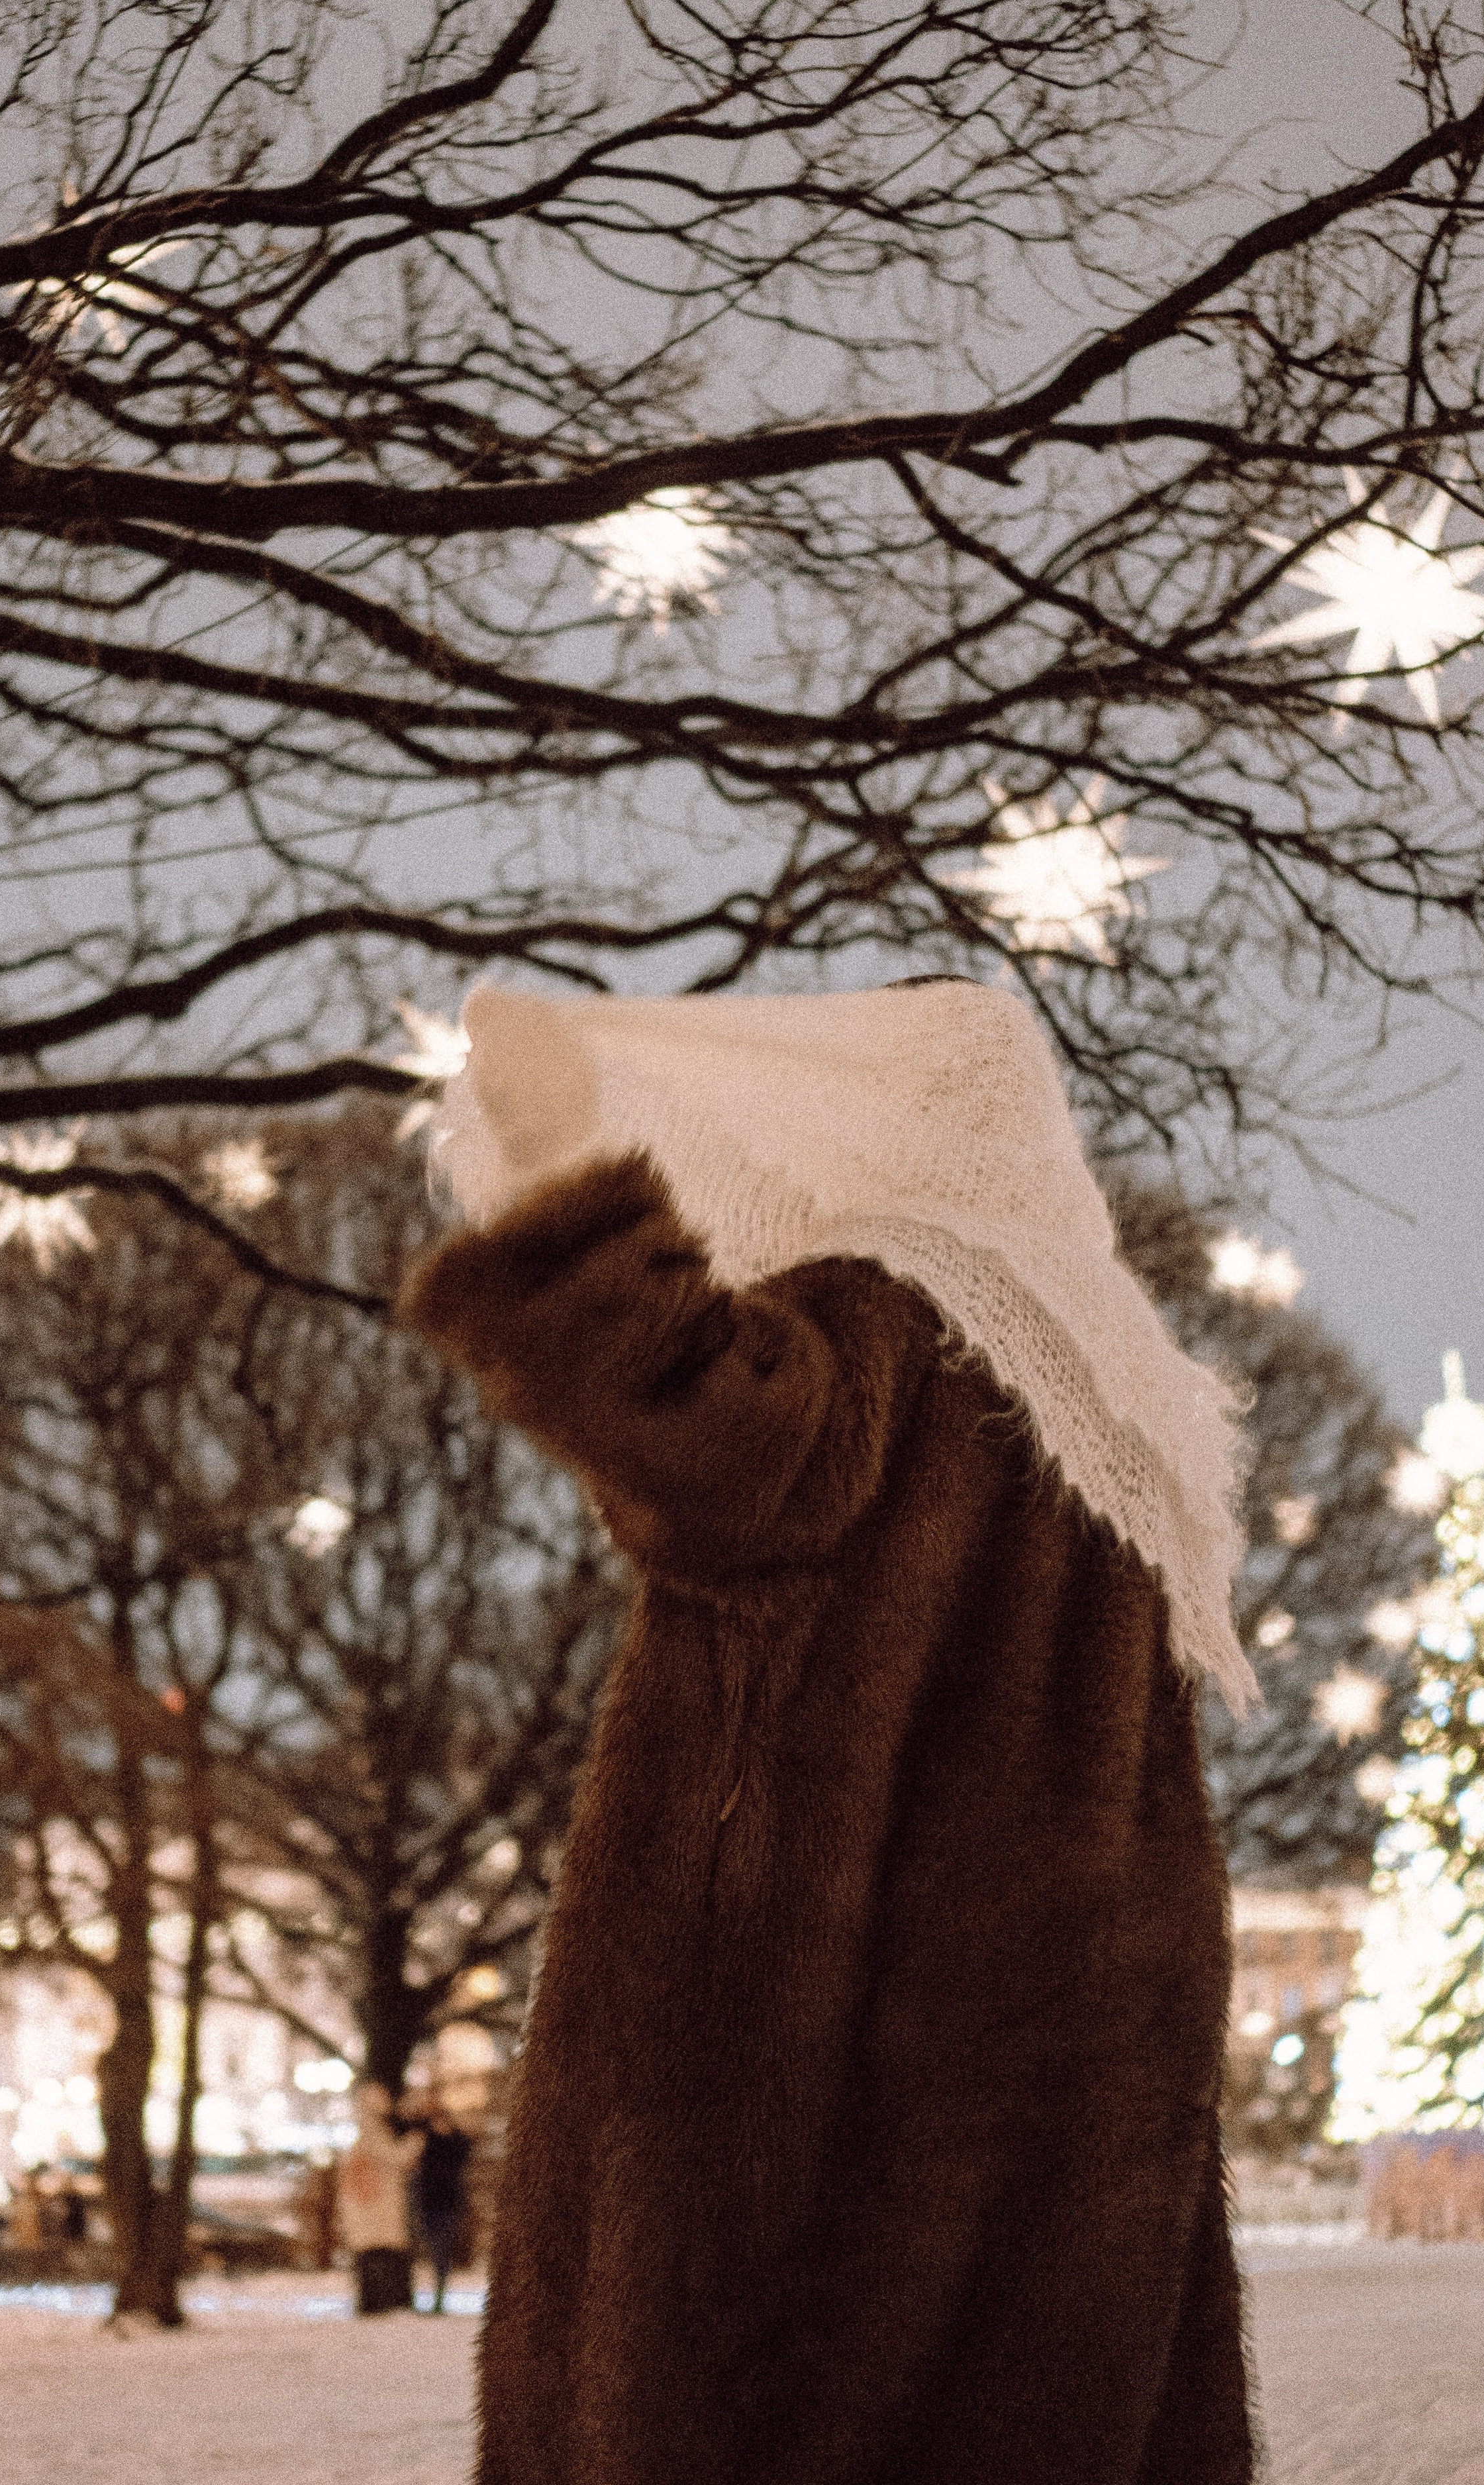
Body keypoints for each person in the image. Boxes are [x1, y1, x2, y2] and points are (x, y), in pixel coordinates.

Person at [401, 980, 1260, 2485]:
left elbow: (714, 1431)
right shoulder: (1116, 1401)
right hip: (1071, 2125)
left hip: (823, 2108)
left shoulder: (892, 1309)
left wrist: (562, 1179)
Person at [337, 2082, 424, 2314]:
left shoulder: (366, 2131)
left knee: (374, 2254)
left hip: (370, 2209)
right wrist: (417, 2138)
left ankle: (376, 2302)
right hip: (377, 2209)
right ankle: (381, 2303)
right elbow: (398, 2158)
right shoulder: (373, 2132)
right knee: (380, 2254)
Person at [408, 2100, 473, 2314]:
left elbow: (465, 2150)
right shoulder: (425, 2137)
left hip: (447, 2203)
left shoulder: (454, 2141)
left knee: (442, 2252)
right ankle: (422, 2298)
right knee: (426, 2251)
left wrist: (451, 2131)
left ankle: (438, 2299)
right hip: (427, 2202)